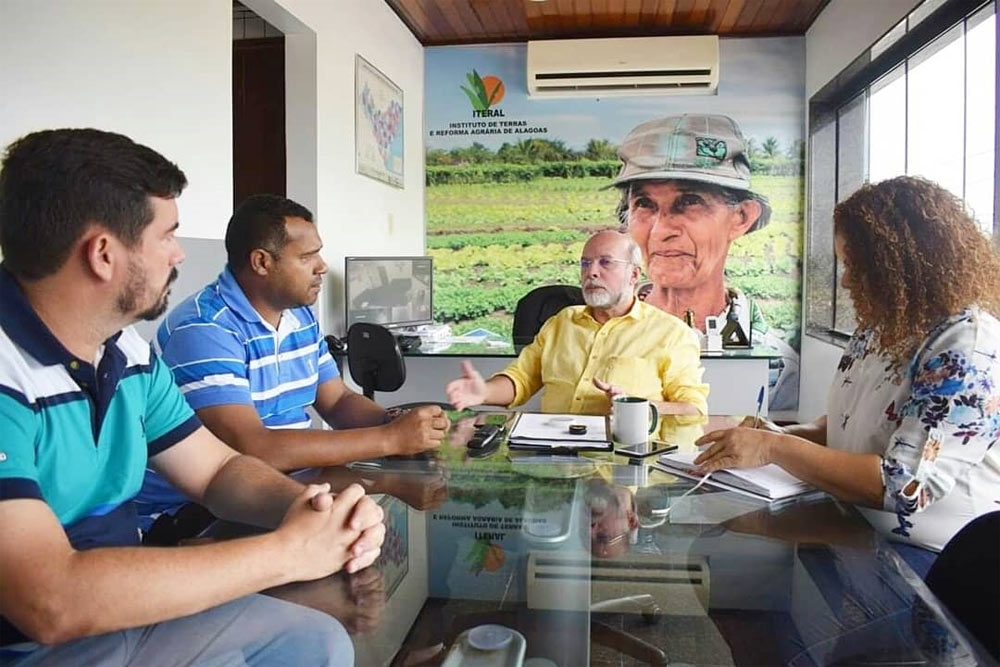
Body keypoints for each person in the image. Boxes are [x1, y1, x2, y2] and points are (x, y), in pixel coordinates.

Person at [0, 128, 383, 664]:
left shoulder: (125, 352)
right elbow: (50, 601)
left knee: (316, 641)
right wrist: (287, 552)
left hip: (130, 609)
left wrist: (311, 509)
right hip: (33, 645)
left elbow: (216, 471)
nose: (180, 253)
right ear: (104, 255)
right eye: (168, 235)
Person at [693, 176, 1000, 575]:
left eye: (857, 267)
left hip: (935, 561)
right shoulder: (880, 328)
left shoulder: (967, 349)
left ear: (904, 266)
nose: (846, 280)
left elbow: (903, 485)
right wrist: (782, 435)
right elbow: (853, 425)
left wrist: (774, 449)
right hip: (854, 529)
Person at [136, 194, 449, 531]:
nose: (322, 266)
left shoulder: (299, 315)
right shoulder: (204, 328)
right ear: (261, 262)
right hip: (198, 514)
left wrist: (399, 423)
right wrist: (390, 439)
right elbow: (252, 448)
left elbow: (339, 402)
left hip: (290, 486)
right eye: (307, 256)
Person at [613, 113, 800, 411]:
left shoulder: (776, 365)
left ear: (740, 218)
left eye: (689, 202)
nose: (661, 231)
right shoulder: (600, 336)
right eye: (644, 204)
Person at [446, 230, 708, 429]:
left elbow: (694, 410)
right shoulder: (562, 322)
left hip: (623, 461)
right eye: (585, 263)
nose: (591, 272)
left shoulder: (671, 333)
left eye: (606, 263)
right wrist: (485, 392)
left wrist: (638, 409)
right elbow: (522, 379)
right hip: (553, 459)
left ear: (634, 275)